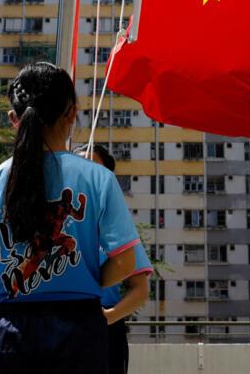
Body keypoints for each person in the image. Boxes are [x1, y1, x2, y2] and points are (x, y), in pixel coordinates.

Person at [0, 62, 141, 374]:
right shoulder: (98, 179)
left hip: (9, 334)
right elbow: (125, 263)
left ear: (14, 119)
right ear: (72, 113)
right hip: (79, 332)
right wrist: (77, 279)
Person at [74, 144, 153, 374]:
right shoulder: (59, 222)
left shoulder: (116, 227)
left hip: (105, 328)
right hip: (60, 322)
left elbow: (140, 289)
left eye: (91, 166)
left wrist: (108, 317)